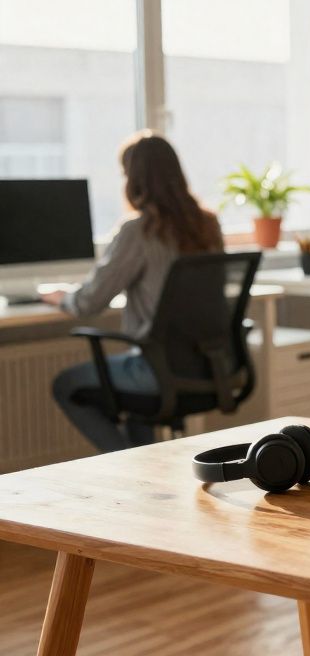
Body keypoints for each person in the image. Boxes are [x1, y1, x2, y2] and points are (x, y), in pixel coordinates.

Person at [44, 131, 224, 452]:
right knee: (140, 406)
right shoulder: (208, 225)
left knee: (66, 385)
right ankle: (145, 474)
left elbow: (88, 302)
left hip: (157, 369)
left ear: (134, 179)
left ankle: (129, 463)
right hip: (211, 364)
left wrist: (59, 296)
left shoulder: (138, 230)